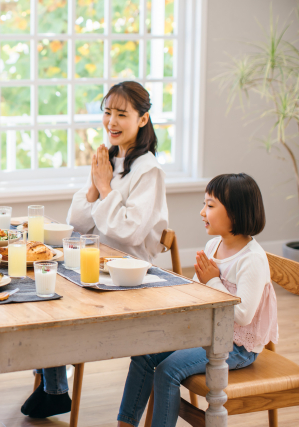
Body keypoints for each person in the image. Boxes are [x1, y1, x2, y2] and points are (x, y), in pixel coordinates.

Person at [22, 81, 168, 418]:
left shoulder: (150, 171)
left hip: (128, 274)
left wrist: (104, 188)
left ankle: (53, 385)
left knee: (52, 298)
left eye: (122, 114)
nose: (111, 122)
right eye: (107, 112)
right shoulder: (111, 159)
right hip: (95, 262)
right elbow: (78, 223)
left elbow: (129, 231)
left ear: (142, 119)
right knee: (42, 290)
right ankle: (54, 386)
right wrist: (94, 186)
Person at [116, 173, 278, 427]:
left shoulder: (252, 259)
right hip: (209, 333)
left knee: (168, 371)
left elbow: (244, 314)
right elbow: (201, 291)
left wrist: (212, 280)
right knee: (144, 355)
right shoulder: (214, 246)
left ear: (235, 213)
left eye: (210, 205)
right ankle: (125, 424)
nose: (202, 212)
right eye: (204, 204)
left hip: (238, 346)